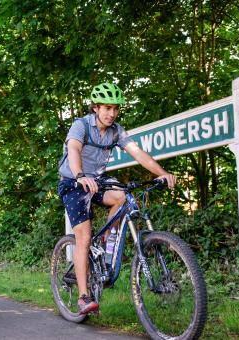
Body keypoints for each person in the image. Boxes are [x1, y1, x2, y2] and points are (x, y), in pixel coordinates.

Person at [57, 82, 176, 315]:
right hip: (73, 181)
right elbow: (73, 150)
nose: (111, 113)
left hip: (97, 181)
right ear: (96, 108)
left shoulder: (116, 131)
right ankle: (83, 297)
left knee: (122, 196)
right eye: (107, 108)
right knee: (83, 235)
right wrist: (80, 175)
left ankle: (105, 241)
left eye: (115, 109)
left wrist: (162, 173)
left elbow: (138, 152)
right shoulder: (81, 126)